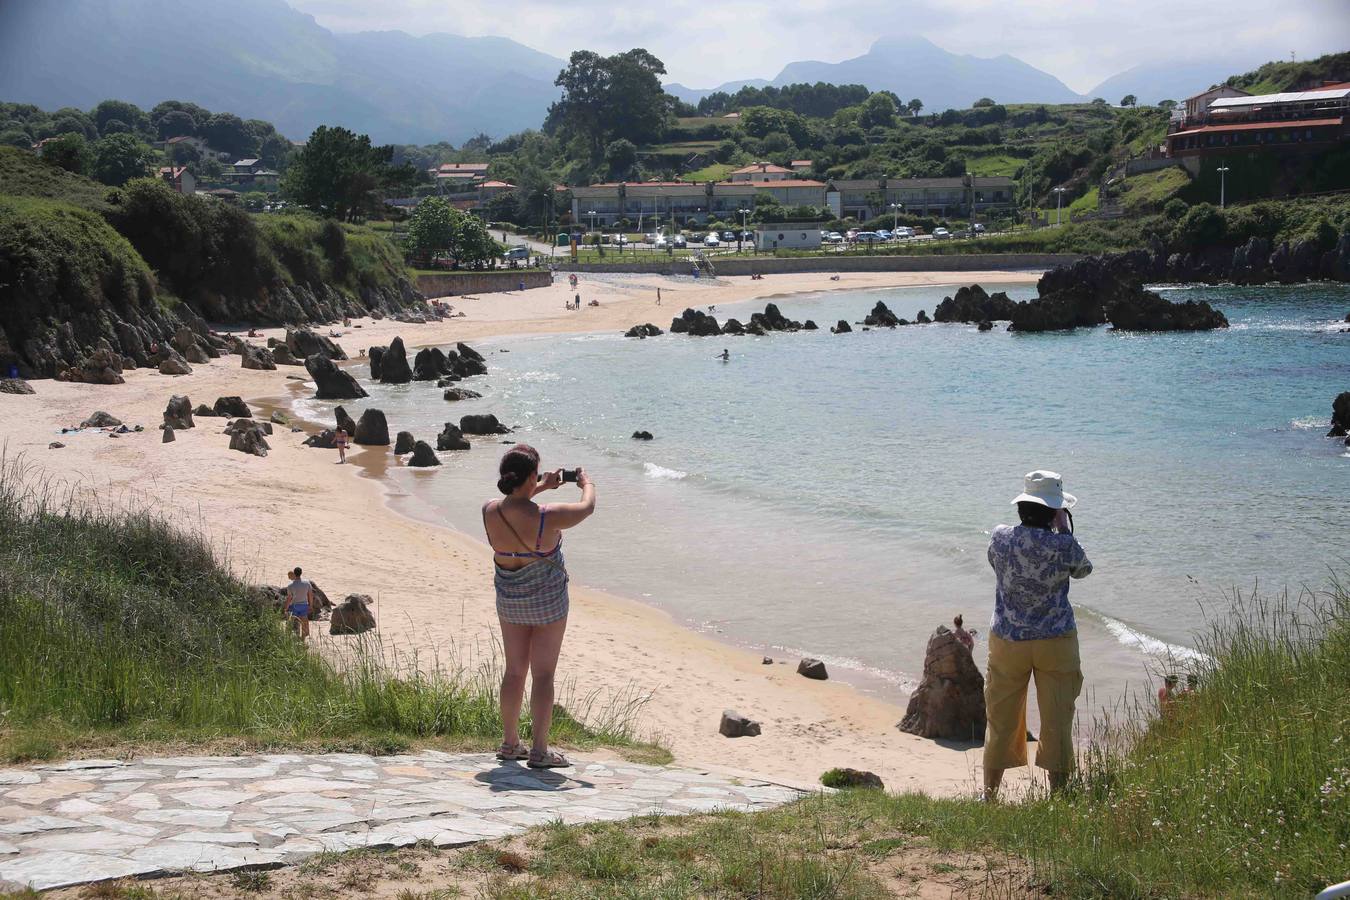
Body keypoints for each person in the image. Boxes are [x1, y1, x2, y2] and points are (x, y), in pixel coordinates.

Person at [482, 445, 596, 769]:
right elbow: (586, 507)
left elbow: (516, 505)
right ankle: (540, 750)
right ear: (531, 476)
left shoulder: (489, 510)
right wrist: (586, 482)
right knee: (543, 674)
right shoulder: (548, 516)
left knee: (514, 671)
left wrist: (541, 485)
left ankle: (509, 743)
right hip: (547, 603)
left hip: (510, 602)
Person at [983, 470, 1092, 800]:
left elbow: (996, 564)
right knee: (1057, 717)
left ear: (1022, 506)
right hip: (1055, 640)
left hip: (1007, 639)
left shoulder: (1001, 537)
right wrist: (1063, 531)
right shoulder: (1064, 545)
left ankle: (990, 795)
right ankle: (1058, 796)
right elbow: (1084, 569)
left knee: (1000, 716)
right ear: (1055, 511)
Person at [284, 567, 313, 640]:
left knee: (292, 623)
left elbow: (289, 598)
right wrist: (310, 605)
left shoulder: (290, 586)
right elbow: (310, 595)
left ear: (294, 573)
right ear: (301, 573)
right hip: (304, 606)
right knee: (304, 624)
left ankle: (292, 638)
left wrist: (286, 608)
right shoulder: (307, 583)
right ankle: (302, 640)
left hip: (294, 606)